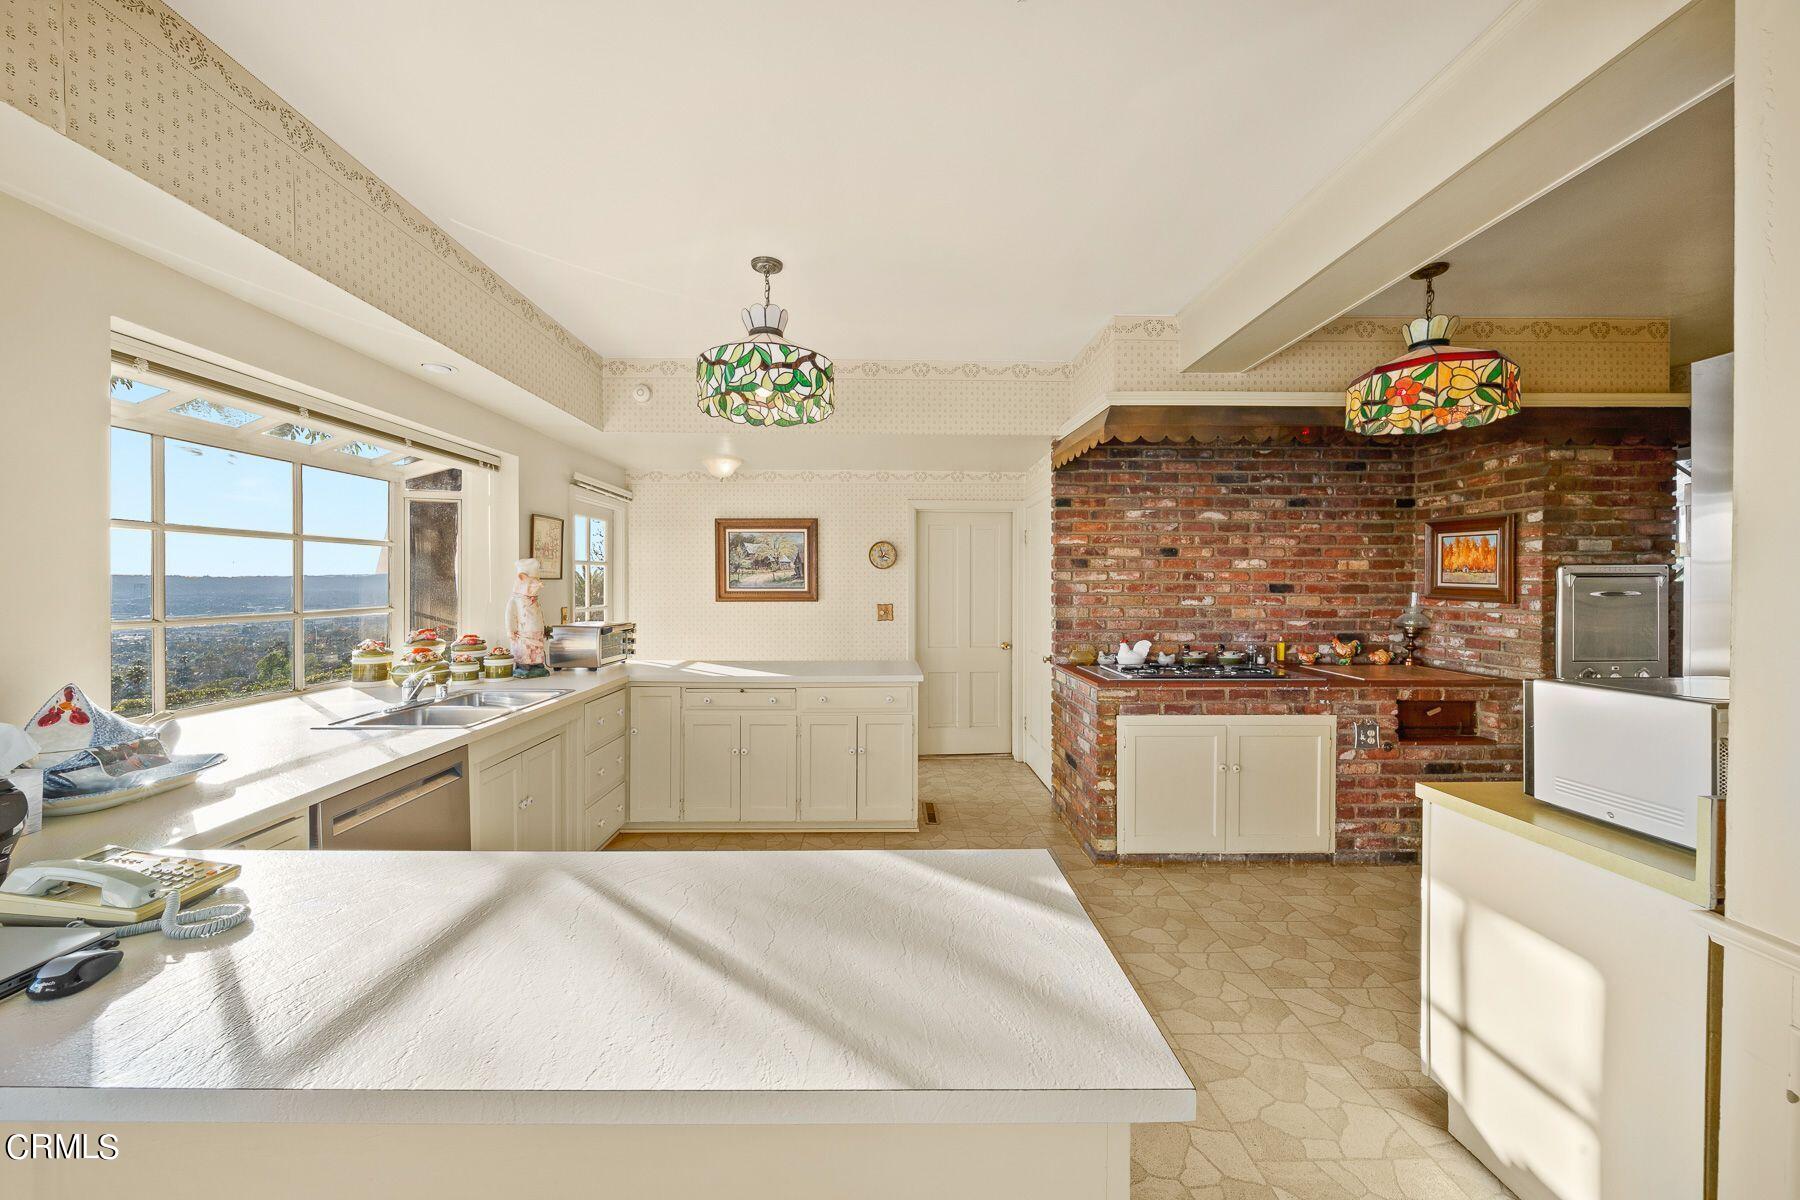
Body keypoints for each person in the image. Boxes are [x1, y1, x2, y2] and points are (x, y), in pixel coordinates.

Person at [503, 557, 549, 677]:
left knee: (537, 651)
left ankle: (537, 664)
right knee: (525, 653)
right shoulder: (515, 601)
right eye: (532, 584)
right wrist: (510, 631)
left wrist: (543, 628)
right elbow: (509, 616)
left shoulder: (534, 600)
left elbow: (539, 615)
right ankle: (524, 665)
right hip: (523, 635)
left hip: (536, 634)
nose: (535, 588)